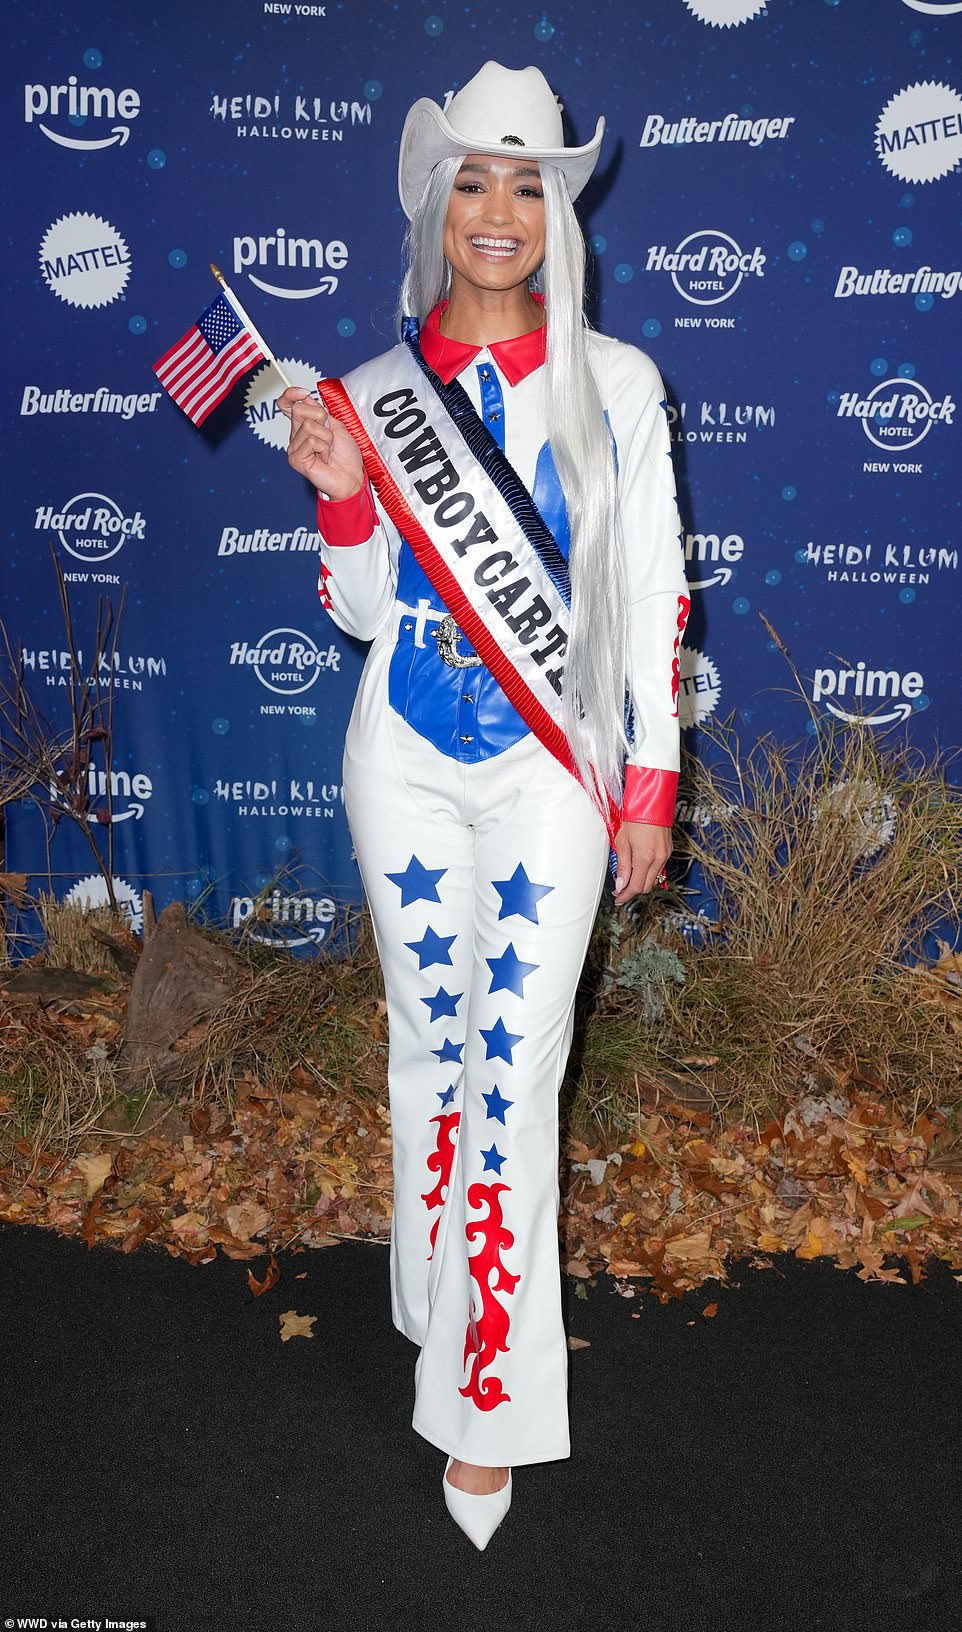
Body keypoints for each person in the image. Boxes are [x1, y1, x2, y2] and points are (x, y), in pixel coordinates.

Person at [278, 61, 690, 1550]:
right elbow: (365, 608)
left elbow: (648, 602)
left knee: (512, 1075)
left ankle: (482, 1408)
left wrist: (647, 790)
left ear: (557, 211)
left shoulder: (620, 383)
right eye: (471, 178)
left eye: (525, 181)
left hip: (549, 769)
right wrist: (339, 490)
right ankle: (433, 1299)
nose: (497, 209)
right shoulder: (376, 392)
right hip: (398, 750)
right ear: (433, 205)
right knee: (422, 1047)